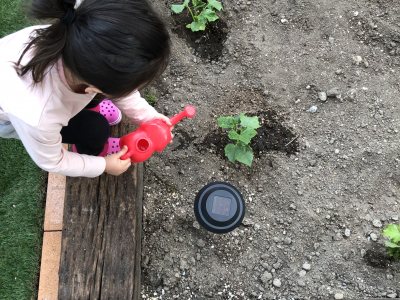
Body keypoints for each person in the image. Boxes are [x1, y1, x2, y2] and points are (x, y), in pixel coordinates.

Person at [0, 0, 172, 177]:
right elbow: (53, 161)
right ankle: (93, 150)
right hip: (9, 117)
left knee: (97, 99)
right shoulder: (39, 118)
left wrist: (147, 117)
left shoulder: (82, 28)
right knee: (95, 130)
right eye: (130, 88)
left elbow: (114, 77)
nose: (130, 91)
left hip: (63, 84)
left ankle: (91, 105)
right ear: (93, 87)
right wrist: (102, 165)